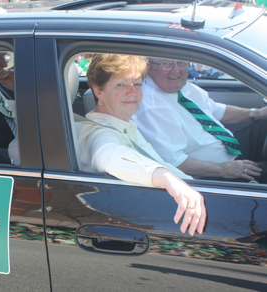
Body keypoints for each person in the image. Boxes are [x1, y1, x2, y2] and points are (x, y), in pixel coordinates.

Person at [79, 54, 206, 236]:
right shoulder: (100, 133)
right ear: (99, 91)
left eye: (137, 84)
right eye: (121, 84)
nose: (133, 92)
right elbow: (108, 155)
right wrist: (169, 180)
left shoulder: (123, 124)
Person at [132, 58, 267, 182]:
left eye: (181, 63)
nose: (176, 70)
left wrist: (257, 113)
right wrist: (224, 169)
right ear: (150, 67)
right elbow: (175, 162)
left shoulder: (180, 85)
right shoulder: (151, 107)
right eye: (167, 64)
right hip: (212, 174)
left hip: (230, 148)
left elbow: (215, 110)